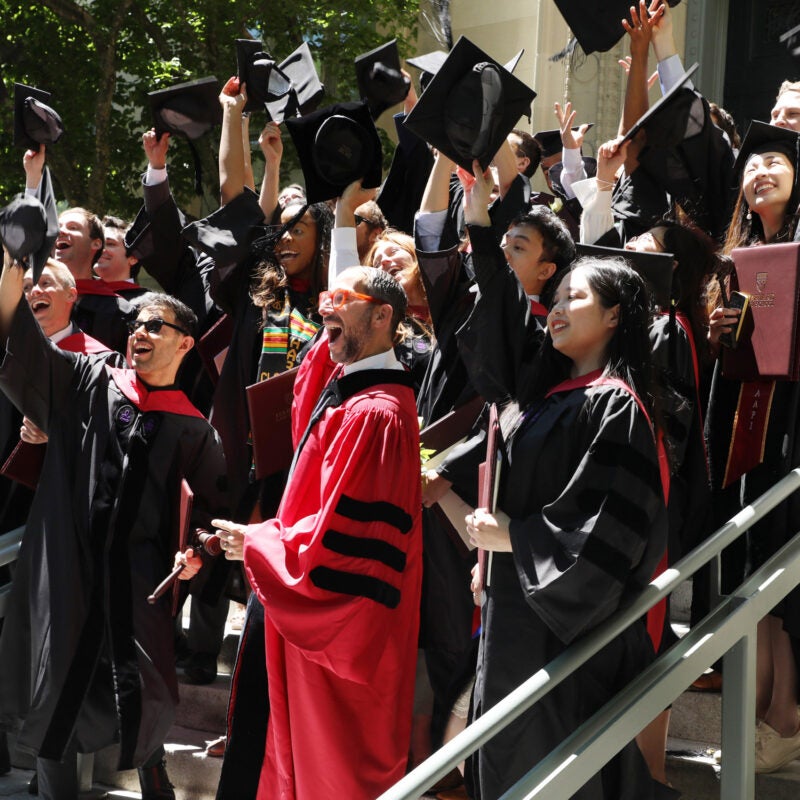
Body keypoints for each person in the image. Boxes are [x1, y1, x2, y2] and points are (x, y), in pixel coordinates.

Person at [461, 161, 669, 800]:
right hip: (514, 617)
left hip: (561, 634)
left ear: (614, 315)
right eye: (554, 300)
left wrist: (515, 541)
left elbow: (604, 535)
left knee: (548, 772)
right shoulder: (552, 395)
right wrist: (477, 216)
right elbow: (494, 336)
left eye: (573, 298)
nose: (555, 310)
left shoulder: (617, 405)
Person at [0, 246, 228, 800]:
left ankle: (157, 783)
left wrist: (198, 549)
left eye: (156, 324)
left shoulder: (195, 431)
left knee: (144, 696)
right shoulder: (87, 381)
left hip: (137, 582)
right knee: (57, 697)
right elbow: (22, 345)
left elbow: (210, 517)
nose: (140, 333)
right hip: (69, 571)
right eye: (136, 324)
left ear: (185, 342)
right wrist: (11, 268)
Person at [213, 266, 422, 800]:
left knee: (324, 771)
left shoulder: (377, 414)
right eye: (325, 295)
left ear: (382, 317)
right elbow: (308, 377)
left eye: (341, 298)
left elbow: (346, 547)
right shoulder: (347, 390)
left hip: (326, 623)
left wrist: (260, 543)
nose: (325, 305)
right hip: (287, 597)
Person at [706, 122, 800, 773]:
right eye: (752, 164)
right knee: (751, 565)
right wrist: (721, 330)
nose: (760, 170)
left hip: (793, 430)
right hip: (746, 434)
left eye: (775, 160)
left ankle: (786, 714)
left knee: (785, 570)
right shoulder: (736, 262)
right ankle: (759, 707)